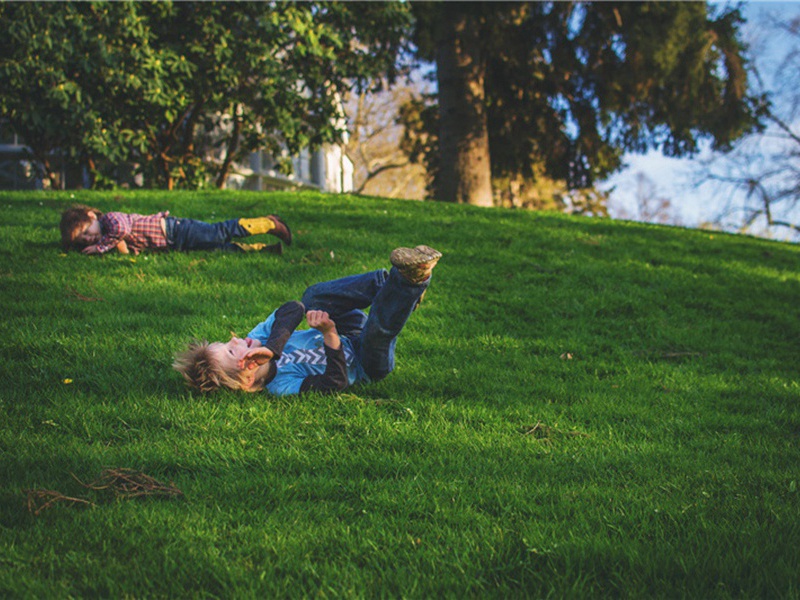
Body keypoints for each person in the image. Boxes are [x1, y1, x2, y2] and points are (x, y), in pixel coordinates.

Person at [173, 245, 442, 396]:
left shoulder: (260, 339)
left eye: (227, 341)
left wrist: (272, 348)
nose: (234, 339)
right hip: (366, 363)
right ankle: (408, 282)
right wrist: (329, 335)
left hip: (347, 332)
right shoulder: (281, 386)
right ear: (247, 380)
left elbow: (293, 309)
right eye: (232, 351)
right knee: (378, 332)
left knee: (313, 297)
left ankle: (391, 289)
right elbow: (333, 383)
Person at [59, 204, 292, 255]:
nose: (91, 237)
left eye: (87, 231)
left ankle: (269, 223)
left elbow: (120, 229)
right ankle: (265, 250)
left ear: (92, 216)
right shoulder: (111, 236)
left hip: (176, 230)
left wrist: (100, 247)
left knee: (218, 232)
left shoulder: (111, 220)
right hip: (174, 243)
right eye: (84, 240)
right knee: (220, 248)